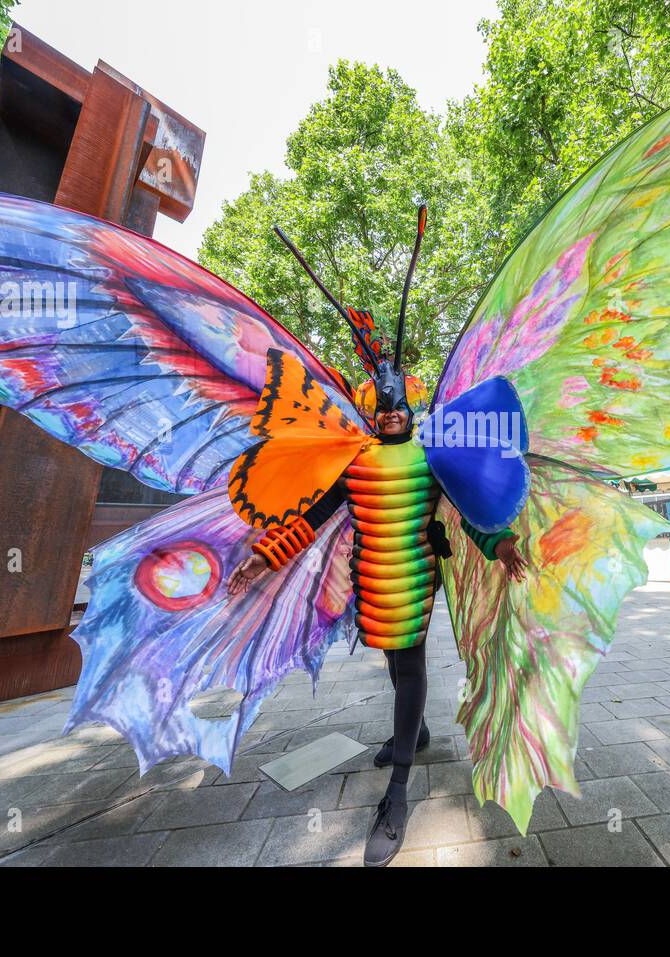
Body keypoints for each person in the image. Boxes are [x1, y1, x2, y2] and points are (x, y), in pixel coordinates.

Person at [225, 241, 529, 867]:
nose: (390, 417)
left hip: (416, 580)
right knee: (393, 661)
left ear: (410, 409)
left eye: (398, 410)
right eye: (381, 410)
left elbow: (466, 513)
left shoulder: (432, 457)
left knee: (410, 664)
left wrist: (498, 544)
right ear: (371, 410)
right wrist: (265, 555)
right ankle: (413, 732)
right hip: (370, 582)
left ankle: (397, 795)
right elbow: (312, 518)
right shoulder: (354, 460)